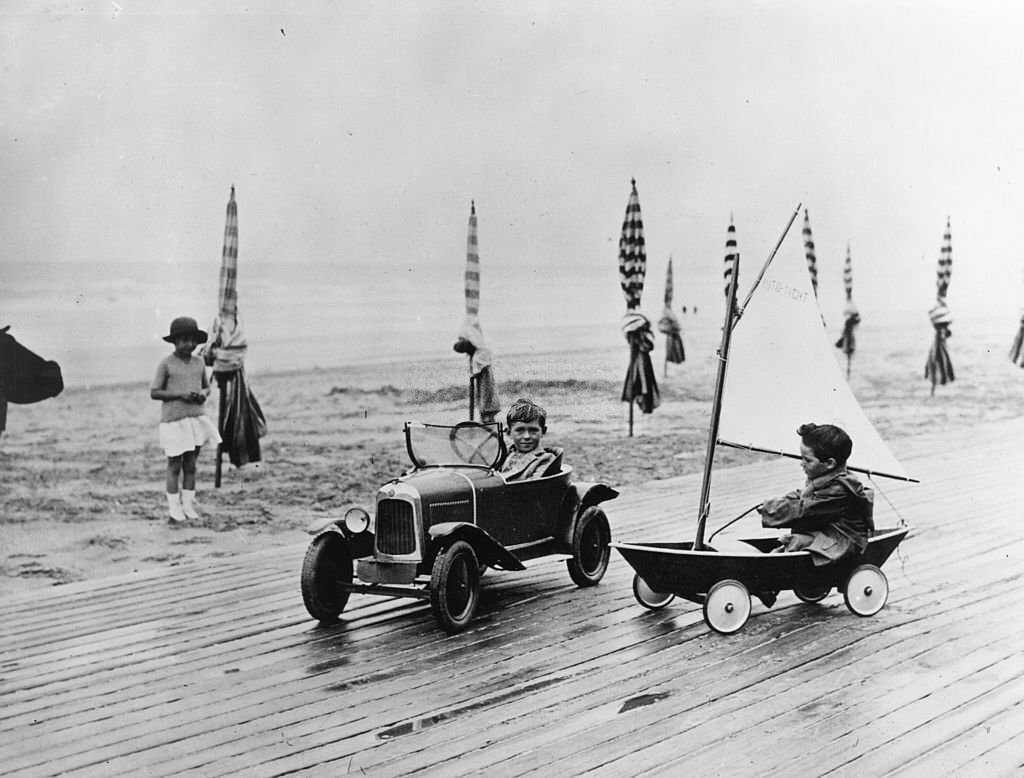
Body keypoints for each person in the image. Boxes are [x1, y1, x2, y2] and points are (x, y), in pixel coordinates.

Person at [758, 422, 875, 566]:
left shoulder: (840, 489)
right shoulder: (826, 476)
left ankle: (769, 567)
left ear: (829, 463)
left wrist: (771, 509)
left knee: (795, 542)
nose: (802, 463)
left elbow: (805, 511)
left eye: (807, 460)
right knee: (795, 540)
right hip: (828, 531)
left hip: (843, 540)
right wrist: (781, 500)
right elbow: (803, 495)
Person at [151, 316, 221, 523]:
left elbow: (206, 386)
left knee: (191, 465)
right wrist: (179, 395)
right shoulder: (166, 364)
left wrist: (203, 395)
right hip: (174, 420)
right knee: (174, 464)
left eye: (192, 340)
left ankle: (188, 506)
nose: (188, 344)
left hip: (196, 419)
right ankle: (174, 508)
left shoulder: (199, 362)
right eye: (183, 340)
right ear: (174, 342)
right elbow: (154, 392)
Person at [498, 398, 560, 481]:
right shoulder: (505, 453)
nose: (526, 436)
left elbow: (532, 488)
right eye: (520, 430)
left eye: (533, 430)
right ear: (509, 432)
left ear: (543, 431)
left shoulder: (545, 459)